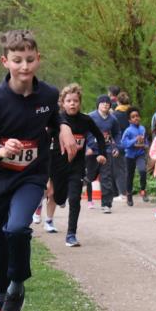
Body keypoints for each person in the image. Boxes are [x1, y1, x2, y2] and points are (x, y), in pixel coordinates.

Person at [0, 29, 77, 311]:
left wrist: (64, 127)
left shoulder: (48, 95)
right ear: (5, 61)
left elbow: (54, 116)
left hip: (31, 176)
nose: (24, 66)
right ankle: (0, 295)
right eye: (17, 60)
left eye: (30, 60)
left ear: (38, 59)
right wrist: (0, 151)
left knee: (17, 228)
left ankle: (16, 288)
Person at [51, 83, 107, 246]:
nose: (72, 104)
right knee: (59, 198)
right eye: (69, 101)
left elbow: (100, 136)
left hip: (77, 165)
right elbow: (45, 139)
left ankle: (71, 234)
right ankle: (60, 198)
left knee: (75, 199)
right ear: (63, 103)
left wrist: (102, 153)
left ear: (80, 103)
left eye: (75, 101)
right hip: (58, 165)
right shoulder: (57, 120)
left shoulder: (85, 120)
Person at [87, 95, 120, 213]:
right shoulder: (90, 117)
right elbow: (82, 132)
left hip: (106, 150)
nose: (105, 104)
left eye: (107, 102)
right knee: (90, 177)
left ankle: (106, 204)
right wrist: (86, 147)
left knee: (106, 177)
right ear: (98, 105)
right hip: (92, 151)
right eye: (102, 102)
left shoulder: (113, 119)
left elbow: (117, 133)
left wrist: (116, 147)